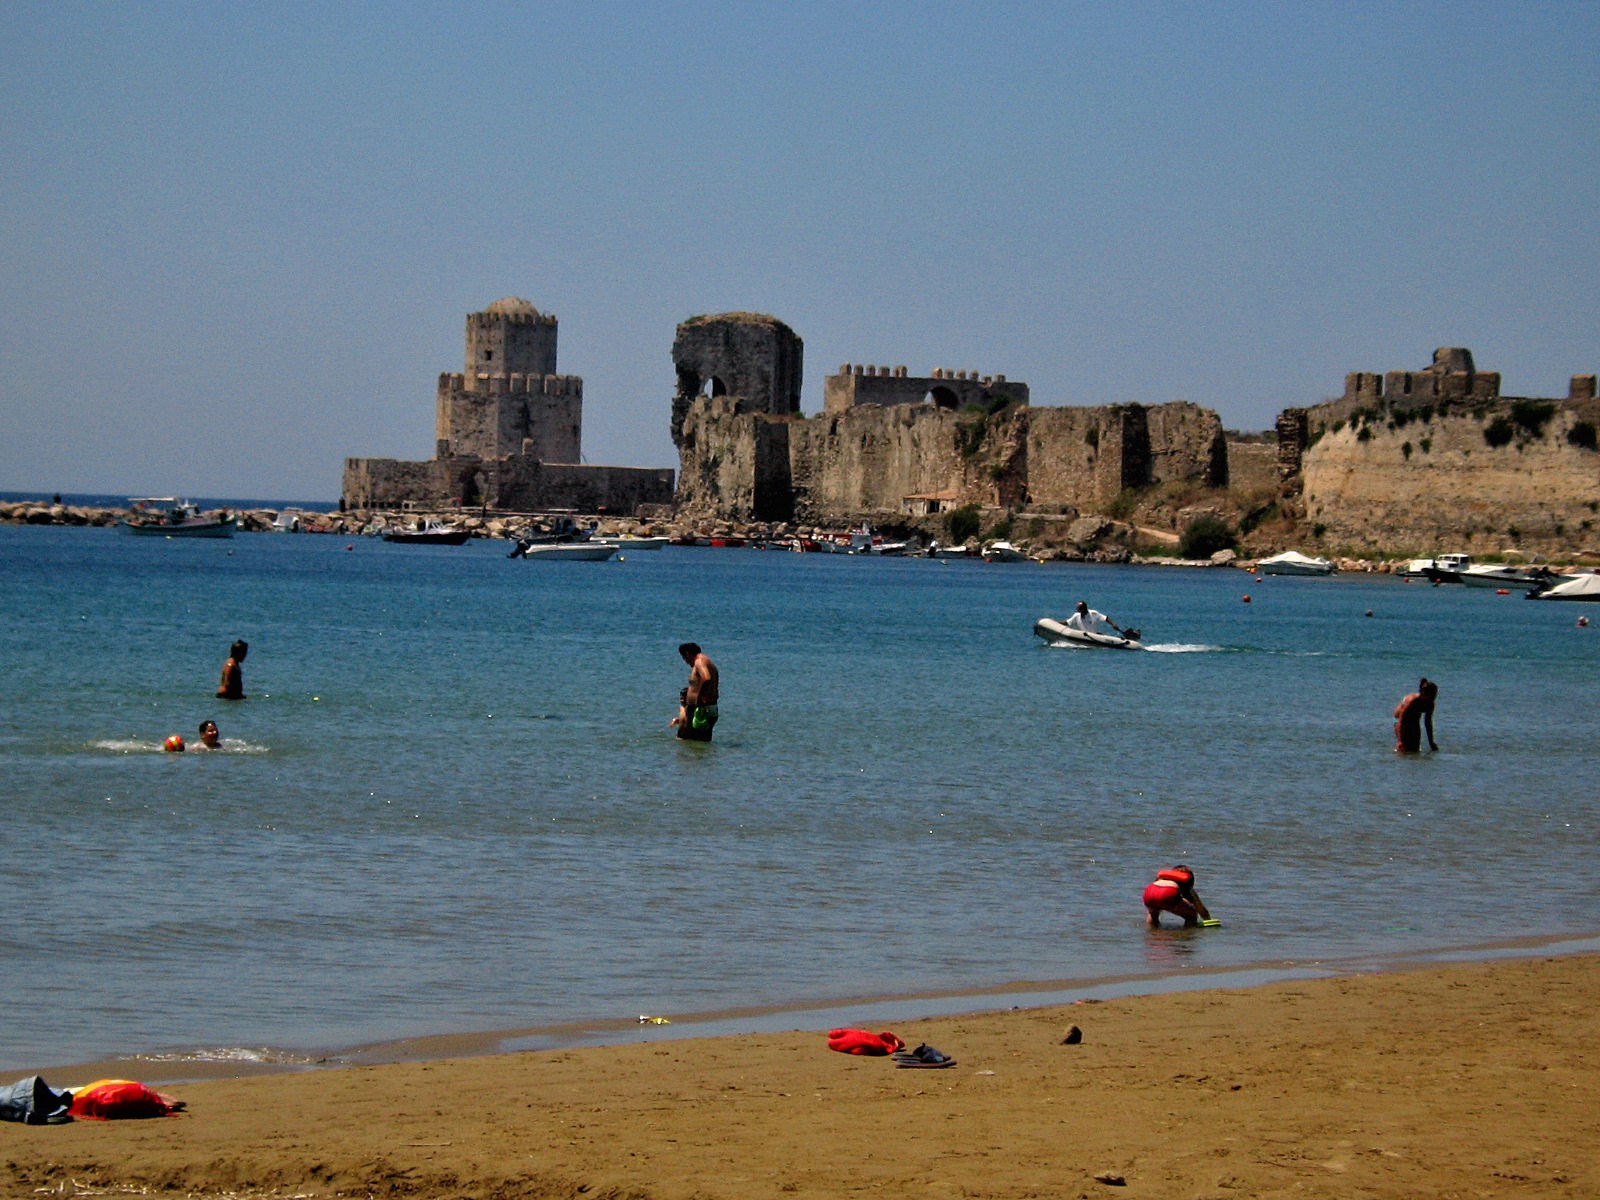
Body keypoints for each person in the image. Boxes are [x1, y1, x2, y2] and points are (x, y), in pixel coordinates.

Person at [674, 642, 719, 742]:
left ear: (687, 654)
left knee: (686, 738)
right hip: (710, 705)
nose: (686, 661)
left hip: (700, 707)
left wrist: (699, 697)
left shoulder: (699, 661)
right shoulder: (708, 661)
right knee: (702, 741)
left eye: (684, 658)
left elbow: (706, 678)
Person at [1143, 864, 1212, 928]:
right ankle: (1186, 935)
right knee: (1192, 915)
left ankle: (1152, 932)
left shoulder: (1162, 879)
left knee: (1153, 913)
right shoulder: (1185, 884)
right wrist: (1209, 920)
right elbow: (1200, 908)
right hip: (1168, 891)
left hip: (1150, 890)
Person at [1393, 677, 1439, 753]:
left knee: (1415, 749)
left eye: (1435, 694)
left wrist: (1431, 743)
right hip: (1401, 720)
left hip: (1414, 720)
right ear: (1424, 693)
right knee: (1404, 748)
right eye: (1433, 695)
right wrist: (1401, 740)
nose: (1435, 697)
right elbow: (1402, 719)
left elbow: (1428, 723)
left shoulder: (1430, 704)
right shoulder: (1413, 701)